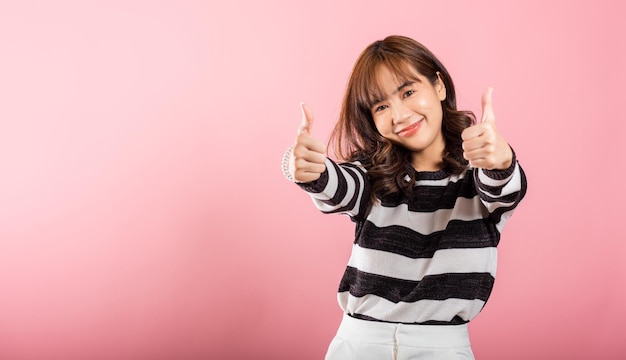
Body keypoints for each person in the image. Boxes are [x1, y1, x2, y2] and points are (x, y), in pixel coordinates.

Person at [281, 35, 527, 360]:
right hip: (358, 345)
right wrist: (306, 169)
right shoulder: (371, 176)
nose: (399, 115)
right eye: (381, 106)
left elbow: (503, 187)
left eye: (408, 92)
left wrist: (501, 159)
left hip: (442, 348)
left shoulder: (478, 175)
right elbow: (338, 185)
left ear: (438, 86)